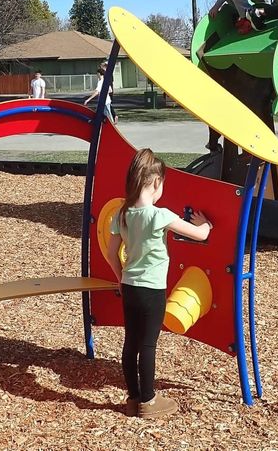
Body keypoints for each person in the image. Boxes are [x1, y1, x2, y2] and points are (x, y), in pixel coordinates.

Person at [103, 149, 212, 418]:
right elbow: (198, 235)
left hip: (129, 286)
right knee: (148, 345)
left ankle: (133, 398)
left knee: (131, 343)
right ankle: (149, 401)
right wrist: (207, 224)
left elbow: (111, 251)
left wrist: (120, 276)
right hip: (152, 290)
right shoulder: (159, 215)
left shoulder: (122, 214)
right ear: (155, 183)